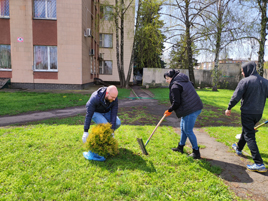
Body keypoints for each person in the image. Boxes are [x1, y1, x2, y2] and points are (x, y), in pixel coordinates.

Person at [225, 61, 268, 173]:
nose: (243, 73)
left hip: (247, 113)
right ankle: (239, 148)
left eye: (243, 71)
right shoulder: (265, 81)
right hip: (258, 114)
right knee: (246, 130)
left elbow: (236, 96)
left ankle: (258, 163)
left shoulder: (245, 81)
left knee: (249, 135)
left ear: (248, 70)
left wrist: (229, 108)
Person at [164, 69, 203, 159]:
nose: (166, 81)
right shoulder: (183, 80)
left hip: (191, 109)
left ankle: (196, 152)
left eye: (167, 79)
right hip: (194, 106)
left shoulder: (175, 86)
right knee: (183, 128)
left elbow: (176, 102)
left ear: (172, 78)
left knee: (188, 130)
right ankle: (180, 147)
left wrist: (169, 110)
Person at [82, 85, 121, 161]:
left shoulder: (114, 98)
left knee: (117, 123)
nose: (114, 99)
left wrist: (112, 131)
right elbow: (89, 114)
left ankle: (104, 142)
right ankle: (95, 147)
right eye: (112, 97)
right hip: (95, 112)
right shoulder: (95, 97)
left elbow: (114, 114)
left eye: (115, 97)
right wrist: (85, 131)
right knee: (106, 126)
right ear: (107, 93)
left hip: (106, 112)